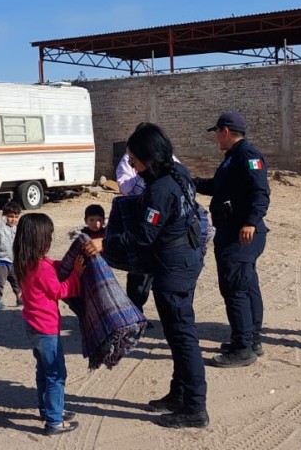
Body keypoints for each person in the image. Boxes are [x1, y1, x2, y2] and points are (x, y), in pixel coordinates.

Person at [104, 123, 208, 429]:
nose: (133, 167)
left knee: (183, 338)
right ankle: (179, 394)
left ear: (148, 156)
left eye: (134, 160)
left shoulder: (161, 188)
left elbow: (144, 236)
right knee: (177, 337)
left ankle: (195, 407)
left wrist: (105, 243)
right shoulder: (180, 174)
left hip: (173, 268)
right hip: (183, 260)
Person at [194, 111, 270, 368]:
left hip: (242, 234)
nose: (215, 138)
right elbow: (217, 187)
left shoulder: (247, 156)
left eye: (216, 133)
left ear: (225, 131)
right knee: (246, 287)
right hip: (235, 232)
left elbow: (261, 192)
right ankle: (250, 339)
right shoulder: (233, 159)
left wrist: (250, 222)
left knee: (235, 288)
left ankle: (242, 348)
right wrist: (190, 182)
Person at [13, 213, 85, 436]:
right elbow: (58, 291)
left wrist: (64, 265)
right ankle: (54, 421)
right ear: (40, 239)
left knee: (43, 371)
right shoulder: (42, 268)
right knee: (56, 374)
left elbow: (50, 266)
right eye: (49, 236)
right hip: (46, 330)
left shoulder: (26, 261)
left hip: (32, 326)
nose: (51, 239)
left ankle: (47, 409)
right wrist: (77, 275)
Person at [115, 147, 154, 314]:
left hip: (158, 222)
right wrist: (142, 175)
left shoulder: (167, 157)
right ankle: (135, 310)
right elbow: (124, 187)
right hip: (138, 219)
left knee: (154, 272)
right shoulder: (128, 160)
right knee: (138, 270)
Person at [0, 200, 23, 310]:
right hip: (0, 260)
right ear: (5, 216)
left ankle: (20, 298)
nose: (13, 219)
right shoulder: (0, 228)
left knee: (17, 282)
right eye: (10, 216)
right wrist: (2, 219)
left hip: (13, 261)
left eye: (16, 217)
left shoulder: (17, 229)